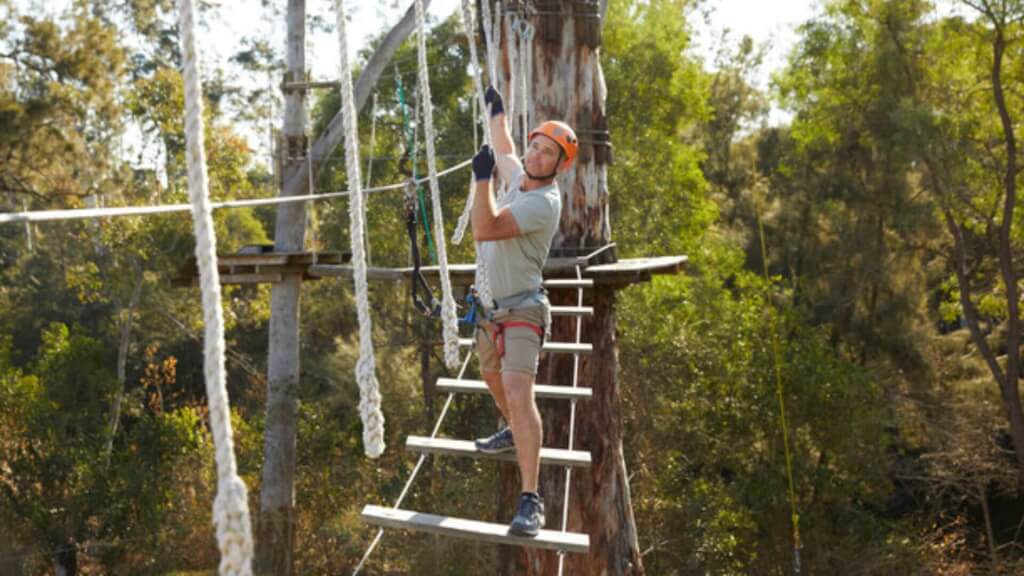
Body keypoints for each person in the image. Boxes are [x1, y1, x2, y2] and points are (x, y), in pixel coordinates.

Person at [470, 85, 578, 537]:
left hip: (524, 309)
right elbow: (506, 147)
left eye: (545, 152)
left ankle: (531, 499)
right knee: (493, 381)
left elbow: (486, 227)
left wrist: (480, 181)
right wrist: (496, 109)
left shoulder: (540, 203)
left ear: (559, 164)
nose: (533, 156)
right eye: (534, 146)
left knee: (517, 390)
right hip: (490, 307)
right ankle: (514, 430)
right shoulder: (519, 177)